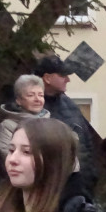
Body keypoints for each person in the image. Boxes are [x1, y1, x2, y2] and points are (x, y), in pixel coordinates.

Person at [34, 55, 97, 195]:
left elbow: (86, 142)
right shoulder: (31, 108)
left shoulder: (70, 105)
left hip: (79, 187)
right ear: (47, 78)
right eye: (63, 75)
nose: (68, 79)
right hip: (49, 191)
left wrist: (90, 177)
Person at [0, 74, 51, 161]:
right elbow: (9, 156)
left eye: (41, 95)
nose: (37, 99)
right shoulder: (8, 126)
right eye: (30, 95)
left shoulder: (51, 123)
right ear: (18, 100)